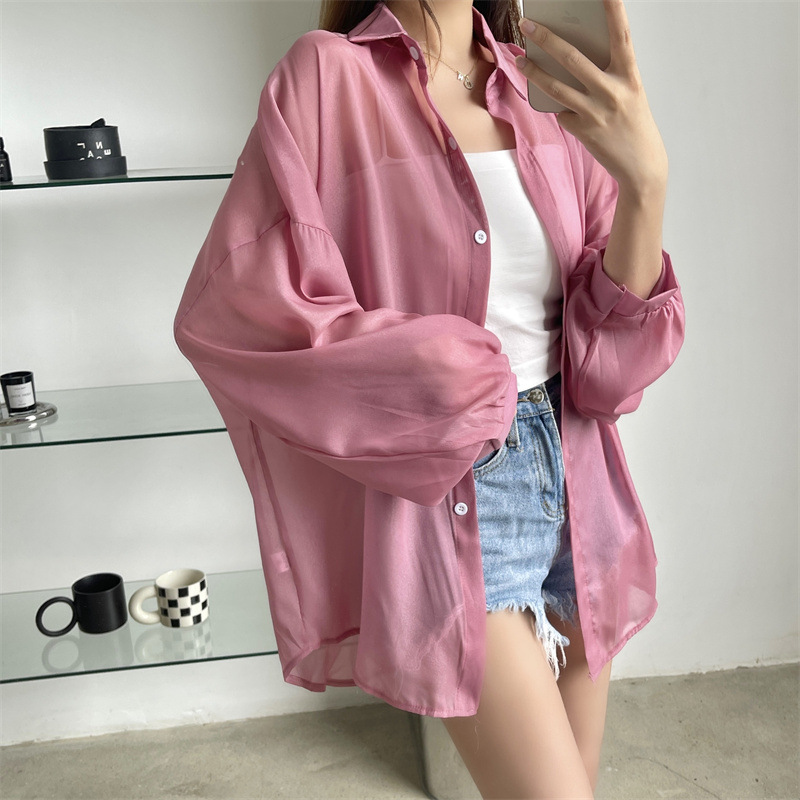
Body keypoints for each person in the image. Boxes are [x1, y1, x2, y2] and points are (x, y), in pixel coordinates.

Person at [174, 1, 685, 797]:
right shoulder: (327, 77)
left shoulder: (536, 84)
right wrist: (452, 380)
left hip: (584, 486)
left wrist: (646, 185)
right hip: (456, 503)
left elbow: (611, 368)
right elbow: (239, 308)